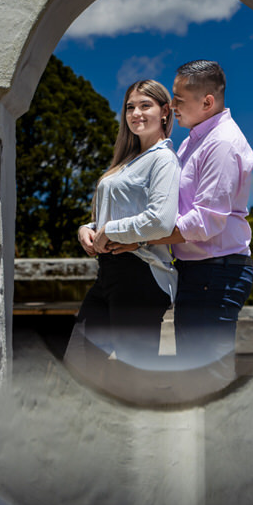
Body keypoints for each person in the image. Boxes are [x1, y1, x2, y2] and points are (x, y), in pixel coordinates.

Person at [151, 60, 253, 364]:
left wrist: (141, 238)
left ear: (207, 102)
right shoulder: (193, 141)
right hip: (199, 272)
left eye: (179, 99)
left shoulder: (222, 144)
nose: (172, 106)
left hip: (216, 274)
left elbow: (204, 221)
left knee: (206, 375)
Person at [70, 79, 180, 368]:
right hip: (109, 273)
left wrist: (110, 231)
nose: (136, 113)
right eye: (130, 107)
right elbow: (117, 213)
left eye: (145, 105)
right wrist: (89, 228)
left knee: (135, 373)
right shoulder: (128, 160)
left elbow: (160, 220)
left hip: (141, 274)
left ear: (165, 111)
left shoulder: (164, 159)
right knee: (80, 361)